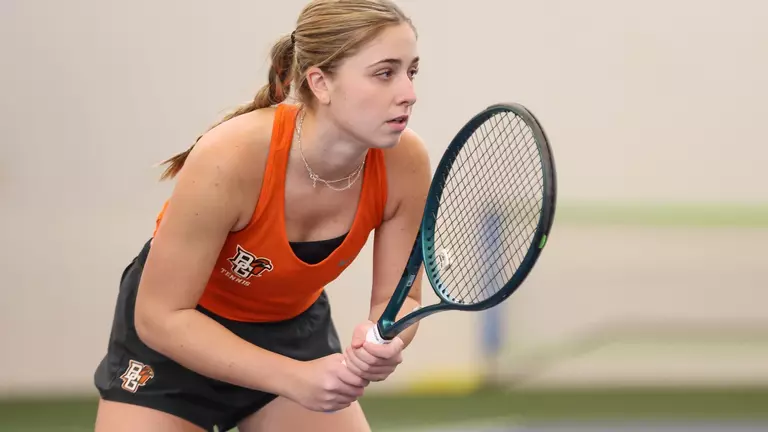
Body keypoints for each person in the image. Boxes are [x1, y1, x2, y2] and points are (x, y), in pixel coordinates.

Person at [92, 0, 430, 431]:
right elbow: (159, 316)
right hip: (175, 339)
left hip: (291, 333)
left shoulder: (407, 161)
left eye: (411, 71)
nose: (409, 93)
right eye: (385, 73)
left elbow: (400, 299)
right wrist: (294, 378)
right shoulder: (230, 155)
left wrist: (388, 340)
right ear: (320, 83)